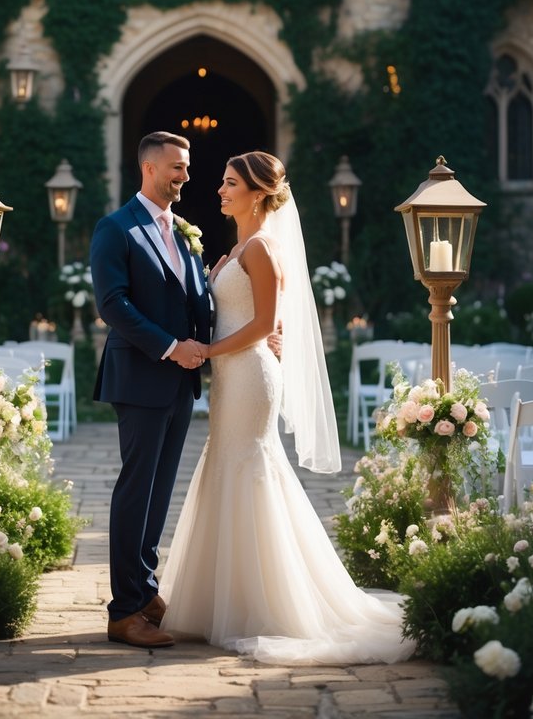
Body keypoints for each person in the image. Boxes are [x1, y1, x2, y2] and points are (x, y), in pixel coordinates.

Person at [159, 150, 413, 666]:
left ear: (258, 193)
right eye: (223, 182)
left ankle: (267, 602)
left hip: (250, 374)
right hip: (232, 375)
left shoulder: (263, 250)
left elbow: (261, 326)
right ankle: (222, 600)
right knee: (227, 465)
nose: (220, 190)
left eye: (230, 184)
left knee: (250, 465)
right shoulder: (236, 249)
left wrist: (207, 351)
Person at [90, 130, 212, 649]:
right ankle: (123, 612)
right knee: (135, 492)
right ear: (149, 169)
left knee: (160, 495)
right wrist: (170, 347)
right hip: (141, 376)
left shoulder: (182, 230)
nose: (185, 175)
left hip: (181, 382)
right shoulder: (115, 229)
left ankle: (144, 591)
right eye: (177, 167)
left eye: (186, 166)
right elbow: (112, 305)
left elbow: (190, 299)